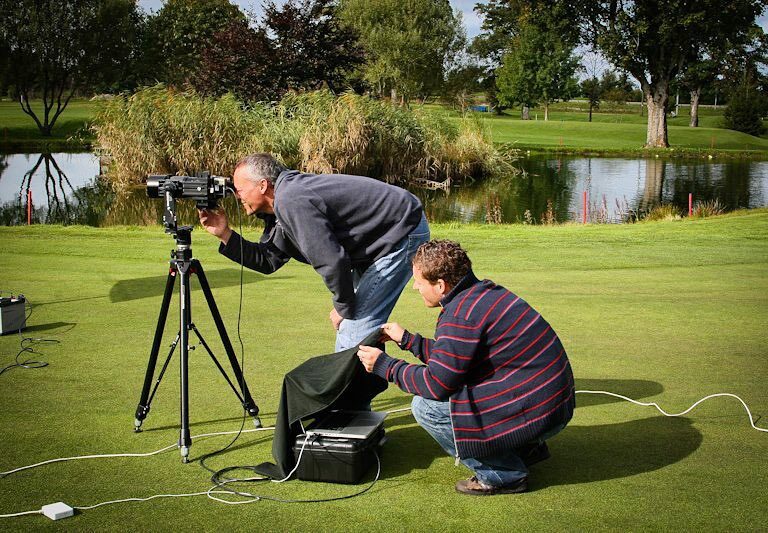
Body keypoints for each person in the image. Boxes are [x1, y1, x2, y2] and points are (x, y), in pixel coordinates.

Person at [357, 240, 575, 495]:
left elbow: (436, 384)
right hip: (553, 405)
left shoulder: (460, 314)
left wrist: (385, 366)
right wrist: (407, 340)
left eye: (418, 281)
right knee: (462, 389)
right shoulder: (482, 293)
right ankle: (524, 449)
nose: (414, 286)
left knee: (426, 407)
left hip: (540, 412)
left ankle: (503, 474)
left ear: (440, 285)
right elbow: (454, 360)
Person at [198, 153, 430, 351]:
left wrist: (343, 307)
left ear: (262, 185)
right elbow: (268, 260)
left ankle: (347, 403)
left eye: (239, 190)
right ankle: (358, 394)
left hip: (401, 230)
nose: (237, 197)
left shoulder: (291, 199)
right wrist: (224, 234)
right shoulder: (282, 202)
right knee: (353, 325)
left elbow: (332, 261)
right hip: (378, 239)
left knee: (354, 329)